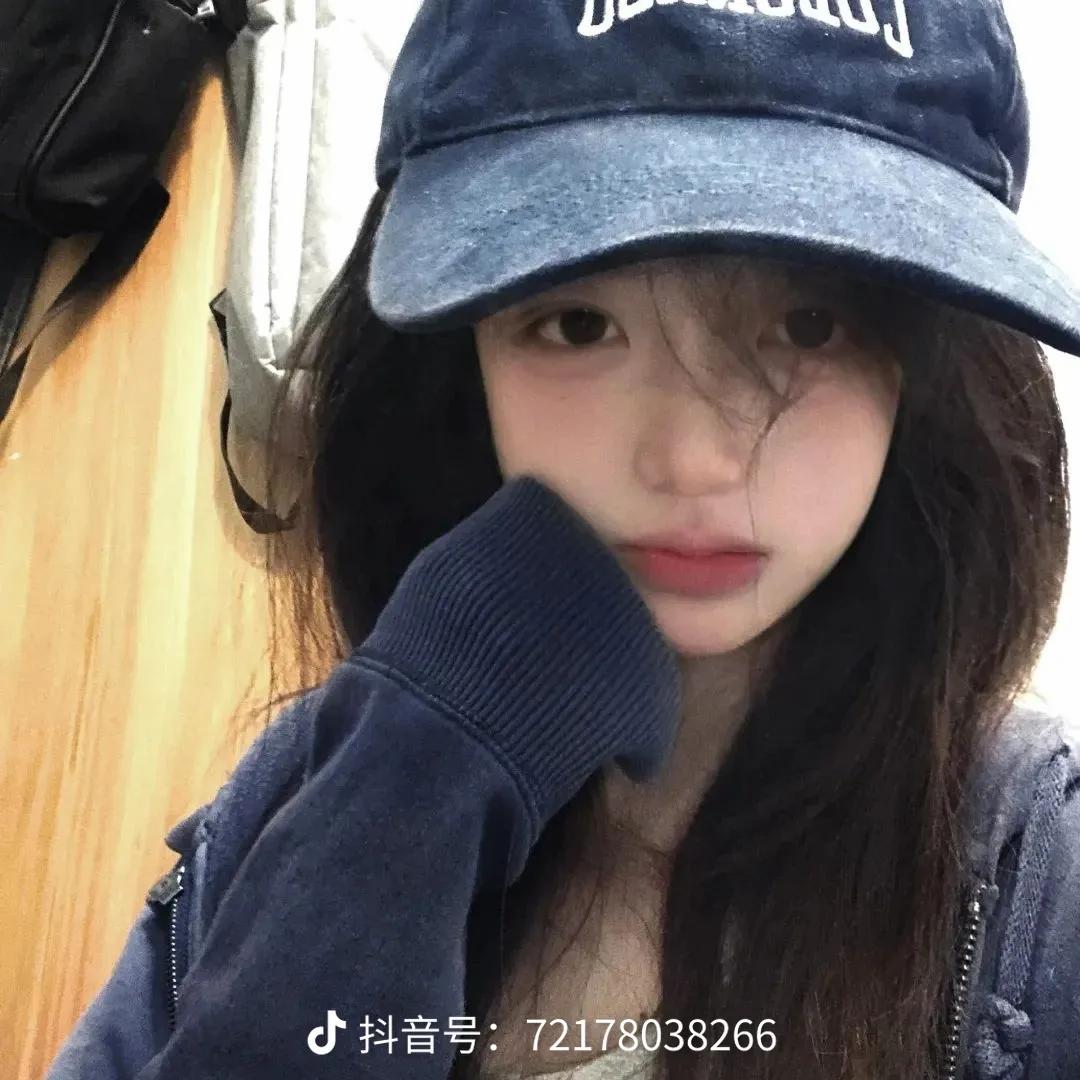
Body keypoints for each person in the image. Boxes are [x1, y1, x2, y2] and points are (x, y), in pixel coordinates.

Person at [45, 1, 1080, 1079]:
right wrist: (394, 805)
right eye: (579, 324)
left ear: (926, 368)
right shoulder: (308, 793)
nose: (693, 458)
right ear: (460, 358)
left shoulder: (1036, 876)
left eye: (808, 325)